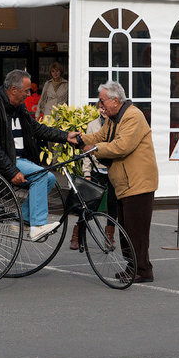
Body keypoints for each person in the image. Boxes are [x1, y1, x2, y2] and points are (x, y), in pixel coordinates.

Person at [0, 69, 80, 241]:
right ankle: (37, 226)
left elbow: (36, 128)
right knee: (41, 175)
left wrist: (65, 136)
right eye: (26, 91)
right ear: (13, 90)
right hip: (0, 163)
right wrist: (12, 172)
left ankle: (23, 218)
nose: (29, 94)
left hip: (17, 160)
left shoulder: (18, 107)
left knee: (50, 179)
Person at [82, 81, 158, 283]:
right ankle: (133, 267)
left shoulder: (132, 116)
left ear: (115, 100)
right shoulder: (114, 117)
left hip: (138, 183)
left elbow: (121, 146)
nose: (101, 105)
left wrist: (93, 148)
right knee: (126, 228)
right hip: (125, 183)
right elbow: (100, 135)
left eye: (102, 101)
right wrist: (80, 139)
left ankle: (143, 270)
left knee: (136, 231)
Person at [70, 101, 118, 250]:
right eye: (101, 107)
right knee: (89, 204)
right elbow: (86, 151)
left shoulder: (116, 124)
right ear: (98, 108)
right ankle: (77, 235)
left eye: (105, 108)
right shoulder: (92, 125)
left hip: (111, 169)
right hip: (96, 169)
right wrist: (87, 173)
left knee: (113, 205)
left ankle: (109, 237)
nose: (103, 110)